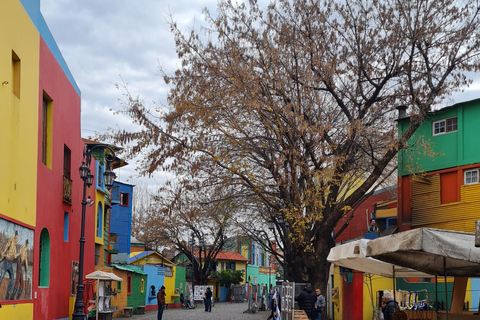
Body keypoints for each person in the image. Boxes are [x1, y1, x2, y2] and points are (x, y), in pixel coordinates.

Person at [0, 231, 18, 300]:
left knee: (12, 278)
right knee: (1, 277)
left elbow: (15, 255)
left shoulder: (15, 248)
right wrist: (3, 253)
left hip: (10, 264)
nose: (16, 239)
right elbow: (7, 245)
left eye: (17, 238)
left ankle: (7, 296)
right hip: (6, 262)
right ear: (15, 237)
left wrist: (19, 254)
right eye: (16, 238)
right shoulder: (11, 239)